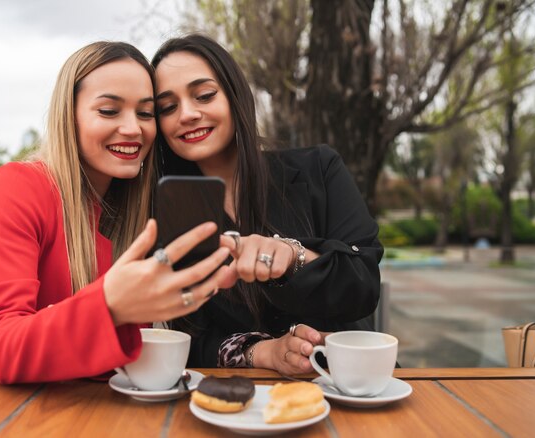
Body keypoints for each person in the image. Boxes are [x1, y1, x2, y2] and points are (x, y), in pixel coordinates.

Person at [0, 41, 230, 384]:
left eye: (145, 113)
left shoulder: (136, 214)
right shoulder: (15, 189)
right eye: (109, 111)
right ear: (69, 116)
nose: (133, 128)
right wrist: (108, 306)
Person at [152, 34, 384, 375]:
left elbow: (362, 284)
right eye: (167, 107)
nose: (187, 114)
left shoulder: (318, 168)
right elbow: (189, 338)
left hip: (353, 386)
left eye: (204, 95)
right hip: (238, 403)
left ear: (235, 96)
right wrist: (262, 353)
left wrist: (292, 256)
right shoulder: (167, 210)